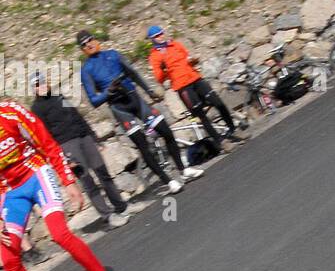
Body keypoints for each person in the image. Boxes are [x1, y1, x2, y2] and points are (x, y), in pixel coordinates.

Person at [1, 99, 124, 271]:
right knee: (7, 256)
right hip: (11, 191)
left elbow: (45, 140)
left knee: (59, 234)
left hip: (36, 174)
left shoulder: (10, 111)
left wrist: (68, 181)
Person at [77, 31, 202, 192]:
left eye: (90, 40)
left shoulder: (113, 54)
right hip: (120, 109)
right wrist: (109, 91)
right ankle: (168, 181)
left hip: (135, 100)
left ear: (96, 39)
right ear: (82, 50)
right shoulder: (86, 70)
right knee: (143, 146)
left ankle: (183, 170)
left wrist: (149, 91)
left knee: (166, 132)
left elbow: (133, 73)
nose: (89, 44)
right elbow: (94, 101)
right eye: (84, 44)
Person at [30, 70, 133, 228]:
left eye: (43, 82)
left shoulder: (59, 97)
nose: (42, 86)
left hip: (84, 137)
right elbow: (45, 136)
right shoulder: (36, 109)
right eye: (37, 85)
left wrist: (94, 137)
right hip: (67, 145)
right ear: (33, 89)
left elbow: (77, 115)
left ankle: (121, 207)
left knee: (103, 172)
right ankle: (108, 216)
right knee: (88, 181)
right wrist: (65, 157)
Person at [146, 26, 241, 153]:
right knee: (200, 115)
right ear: (152, 39)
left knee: (218, 103)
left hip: (195, 78)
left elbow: (187, 58)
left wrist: (193, 60)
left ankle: (232, 129)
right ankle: (221, 142)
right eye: (157, 36)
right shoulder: (154, 56)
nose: (161, 36)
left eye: (161, 33)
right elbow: (159, 78)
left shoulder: (175, 44)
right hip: (182, 86)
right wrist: (163, 69)